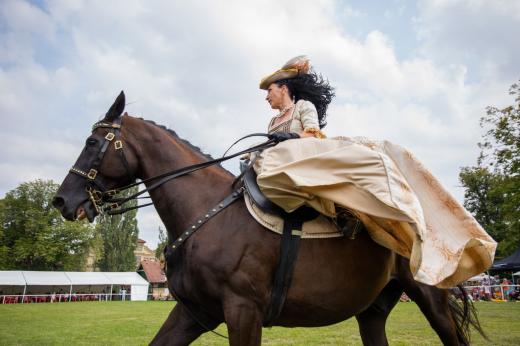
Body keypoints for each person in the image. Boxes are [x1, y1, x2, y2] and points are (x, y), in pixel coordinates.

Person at [254, 55, 497, 289]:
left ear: (284, 88)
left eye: (270, 90)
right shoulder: (272, 123)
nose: (267, 97)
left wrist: (290, 136)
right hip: (281, 163)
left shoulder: (303, 107)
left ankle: (343, 213)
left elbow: (313, 134)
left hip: (303, 158)